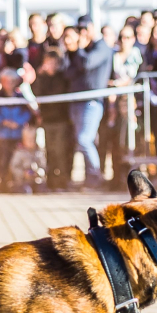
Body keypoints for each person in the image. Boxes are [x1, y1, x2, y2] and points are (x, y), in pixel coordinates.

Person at [64, 15, 115, 190]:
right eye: (79, 30)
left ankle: (95, 177)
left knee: (84, 139)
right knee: (82, 141)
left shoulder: (102, 47)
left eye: (85, 29)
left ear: (93, 28)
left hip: (92, 102)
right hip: (76, 101)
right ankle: (89, 179)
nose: (82, 33)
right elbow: (69, 73)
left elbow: (86, 64)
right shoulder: (81, 51)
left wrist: (78, 48)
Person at [33, 51, 73, 190]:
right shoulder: (42, 78)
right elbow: (37, 93)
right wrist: (39, 76)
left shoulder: (62, 78)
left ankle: (63, 181)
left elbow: (58, 93)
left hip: (61, 120)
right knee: (49, 152)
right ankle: (51, 182)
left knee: (61, 151)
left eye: (54, 62)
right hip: (48, 120)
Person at [0, 71, 30, 192]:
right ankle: (1, 183)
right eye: (6, 81)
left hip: (17, 135)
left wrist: (18, 122)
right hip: (2, 135)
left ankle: (15, 183)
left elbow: (27, 113)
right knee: (2, 160)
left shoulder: (20, 96)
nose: (9, 84)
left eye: (12, 81)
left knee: (16, 160)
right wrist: (3, 121)